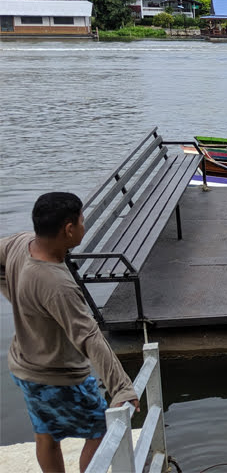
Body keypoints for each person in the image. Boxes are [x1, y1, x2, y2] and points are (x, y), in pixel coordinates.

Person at [1, 192, 139, 473]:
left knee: (46, 434)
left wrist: (16, 294)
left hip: (24, 365)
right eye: (81, 222)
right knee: (104, 430)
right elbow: (89, 336)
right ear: (68, 229)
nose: (83, 228)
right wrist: (122, 387)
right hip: (57, 376)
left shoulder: (20, 243)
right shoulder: (55, 284)